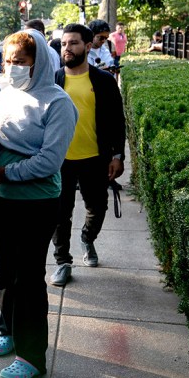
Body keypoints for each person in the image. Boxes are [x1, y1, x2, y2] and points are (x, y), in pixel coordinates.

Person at [0, 29, 77, 378]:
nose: (12, 68)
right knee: (5, 272)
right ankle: (9, 328)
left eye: (20, 62)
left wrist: (5, 172)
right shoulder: (5, 96)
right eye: (8, 61)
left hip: (37, 202)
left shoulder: (58, 103)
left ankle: (32, 355)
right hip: (2, 199)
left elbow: (49, 161)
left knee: (29, 277)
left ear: (39, 64)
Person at [49, 23, 126, 286]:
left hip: (95, 158)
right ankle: (63, 261)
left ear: (88, 45)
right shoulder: (54, 80)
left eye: (73, 43)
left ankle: (87, 238)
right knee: (60, 213)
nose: (67, 48)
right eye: (63, 44)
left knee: (98, 207)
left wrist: (117, 155)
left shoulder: (104, 81)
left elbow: (117, 120)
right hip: (60, 160)